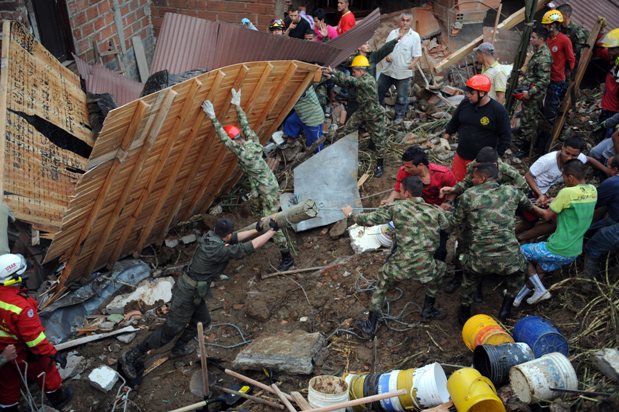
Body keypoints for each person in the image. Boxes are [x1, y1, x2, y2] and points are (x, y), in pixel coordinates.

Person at [120, 218, 279, 382]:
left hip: (194, 291)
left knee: (202, 321)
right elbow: (249, 247)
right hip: (186, 294)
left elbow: (234, 237)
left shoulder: (211, 236)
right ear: (226, 234)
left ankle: (179, 348)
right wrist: (271, 231)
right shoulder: (218, 250)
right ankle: (132, 355)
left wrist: (257, 229)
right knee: (171, 329)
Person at [342, 176, 450, 338]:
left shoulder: (397, 208)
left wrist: (350, 214)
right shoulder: (434, 211)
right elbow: (447, 226)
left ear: (406, 193)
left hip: (399, 266)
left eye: (400, 191)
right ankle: (428, 309)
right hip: (425, 267)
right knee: (441, 269)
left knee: (382, 282)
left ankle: (370, 325)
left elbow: (369, 220)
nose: (398, 193)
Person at [201, 89, 294, 271]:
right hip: (263, 187)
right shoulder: (253, 141)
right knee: (258, 210)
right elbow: (245, 125)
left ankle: (287, 256)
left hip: (267, 190)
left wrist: (213, 118)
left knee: (270, 223)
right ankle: (275, 222)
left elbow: (224, 139)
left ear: (234, 141)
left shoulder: (242, 153)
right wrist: (237, 105)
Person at [449, 164, 537, 324]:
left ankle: (464, 311)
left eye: (474, 177)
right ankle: (506, 308)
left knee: (468, 275)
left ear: (482, 178)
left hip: (479, 259)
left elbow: (455, 221)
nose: (472, 180)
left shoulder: (468, 195)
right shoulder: (512, 192)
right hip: (508, 258)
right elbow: (530, 207)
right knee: (520, 270)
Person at [516, 160, 596, 306]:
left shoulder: (566, 192)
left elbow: (547, 216)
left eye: (564, 177)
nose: (563, 180)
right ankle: (518, 299)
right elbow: (572, 203)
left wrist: (529, 204)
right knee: (540, 269)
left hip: (557, 248)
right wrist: (555, 200)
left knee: (518, 252)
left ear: (570, 177)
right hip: (574, 252)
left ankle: (541, 290)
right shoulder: (592, 190)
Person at [0, 254, 72, 411]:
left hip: (4, 352)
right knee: (46, 370)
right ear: (14, 278)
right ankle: (59, 399)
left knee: (8, 383)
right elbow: (35, 340)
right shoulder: (21, 307)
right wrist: (53, 353)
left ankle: (8, 408)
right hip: (22, 352)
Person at [323, 57, 387, 177]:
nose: (353, 73)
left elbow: (351, 81)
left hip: (373, 114)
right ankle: (345, 152)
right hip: (362, 111)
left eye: (354, 71)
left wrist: (334, 72)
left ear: (361, 70)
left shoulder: (368, 80)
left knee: (379, 139)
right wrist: (331, 77)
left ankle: (379, 164)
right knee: (348, 129)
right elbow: (346, 83)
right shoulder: (359, 79)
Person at [443, 74, 511, 181]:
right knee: (456, 183)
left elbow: (506, 137)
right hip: (461, 155)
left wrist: (495, 157)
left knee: (474, 186)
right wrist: (445, 137)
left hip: (481, 163)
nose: (468, 95)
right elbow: (454, 121)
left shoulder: (498, 110)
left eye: (472, 93)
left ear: (482, 93)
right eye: (467, 92)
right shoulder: (465, 103)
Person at [513, 26, 552, 157]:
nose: (531, 39)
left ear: (541, 39)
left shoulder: (544, 57)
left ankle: (525, 148)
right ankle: (522, 140)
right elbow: (535, 74)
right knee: (525, 117)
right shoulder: (537, 52)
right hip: (529, 89)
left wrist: (529, 93)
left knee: (529, 120)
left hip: (534, 95)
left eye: (533, 37)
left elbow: (544, 80)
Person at [377, 12, 422, 123]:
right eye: (403, 20)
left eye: (407, 20)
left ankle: (399, 117)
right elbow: (386, 48)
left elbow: (417, 55)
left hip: (403, 72)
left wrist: (413, 63)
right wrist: (387, 55)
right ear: (400, 21)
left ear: (411, 22)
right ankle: (377, 113)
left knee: (402, 97)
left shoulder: (415, 36)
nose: (405, 23)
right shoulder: (393, 33)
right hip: (388, 70)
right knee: (379, 91)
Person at [583, 154, 619, 277]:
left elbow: (593, 203)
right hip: (614, 218)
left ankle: (587, 280)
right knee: (595, 229)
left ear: (615, 169)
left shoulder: (613, 183)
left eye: (607, 166)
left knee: (593, 247)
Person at [541, 10, 575, 128]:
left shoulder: (564, 40)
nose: (546, 27)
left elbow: (571, 59)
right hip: (545, 77)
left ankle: (556, 131)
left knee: (551, 108)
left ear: (555, 24)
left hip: (557, 80)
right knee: (542, 106)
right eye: (545, 25)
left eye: (548, 24)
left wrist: (569, 76)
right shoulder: (546, 39)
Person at [282, 86, 325, 151]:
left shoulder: (304, 86)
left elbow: (301, 91)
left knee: (314, 143)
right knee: (291, 121)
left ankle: (319, 154)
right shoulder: (298, 85)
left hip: (313, 118)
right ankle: (290, 140)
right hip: (302, 113)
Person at [597, 29, 619, 141]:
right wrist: (600, 31)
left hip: (614, 111)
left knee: (608, 139)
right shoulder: (613, 58)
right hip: (607, 106)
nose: (609, 51)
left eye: (612, 49)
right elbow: (598, 49)